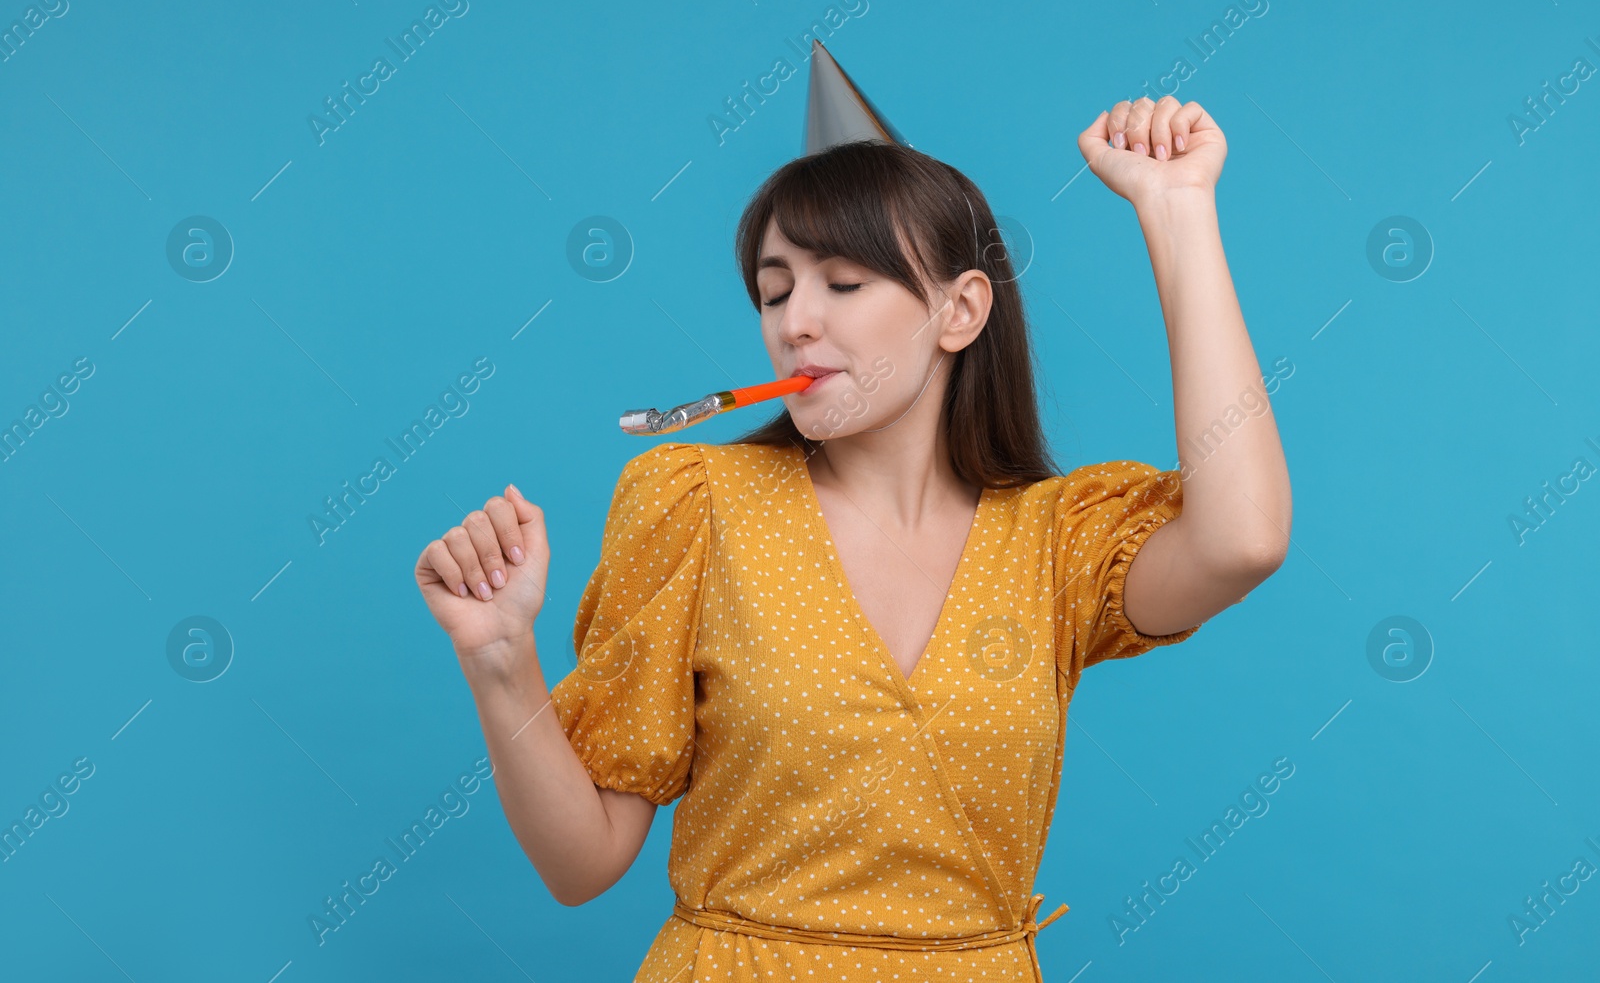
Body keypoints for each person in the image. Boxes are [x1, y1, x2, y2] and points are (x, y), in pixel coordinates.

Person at [413, 96, 1292, 981]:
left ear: (959, 311)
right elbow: (582, 862)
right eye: (773, 288)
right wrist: (499, 658)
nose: (795, 320)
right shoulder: (694, 505)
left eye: (843, 281)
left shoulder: (1056, 541)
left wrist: (1177, 210)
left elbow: (1241, 539)